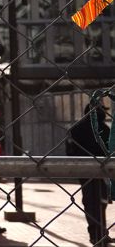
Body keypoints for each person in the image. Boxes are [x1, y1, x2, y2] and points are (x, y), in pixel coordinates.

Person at [67, 102, 111, 245]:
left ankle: (96, 234)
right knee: (101, 201)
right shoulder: (103, 128)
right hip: (101, 170)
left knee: (90, 201)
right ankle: (101, 233)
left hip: (83, 170)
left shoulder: (75, 129)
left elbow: (70, 152)